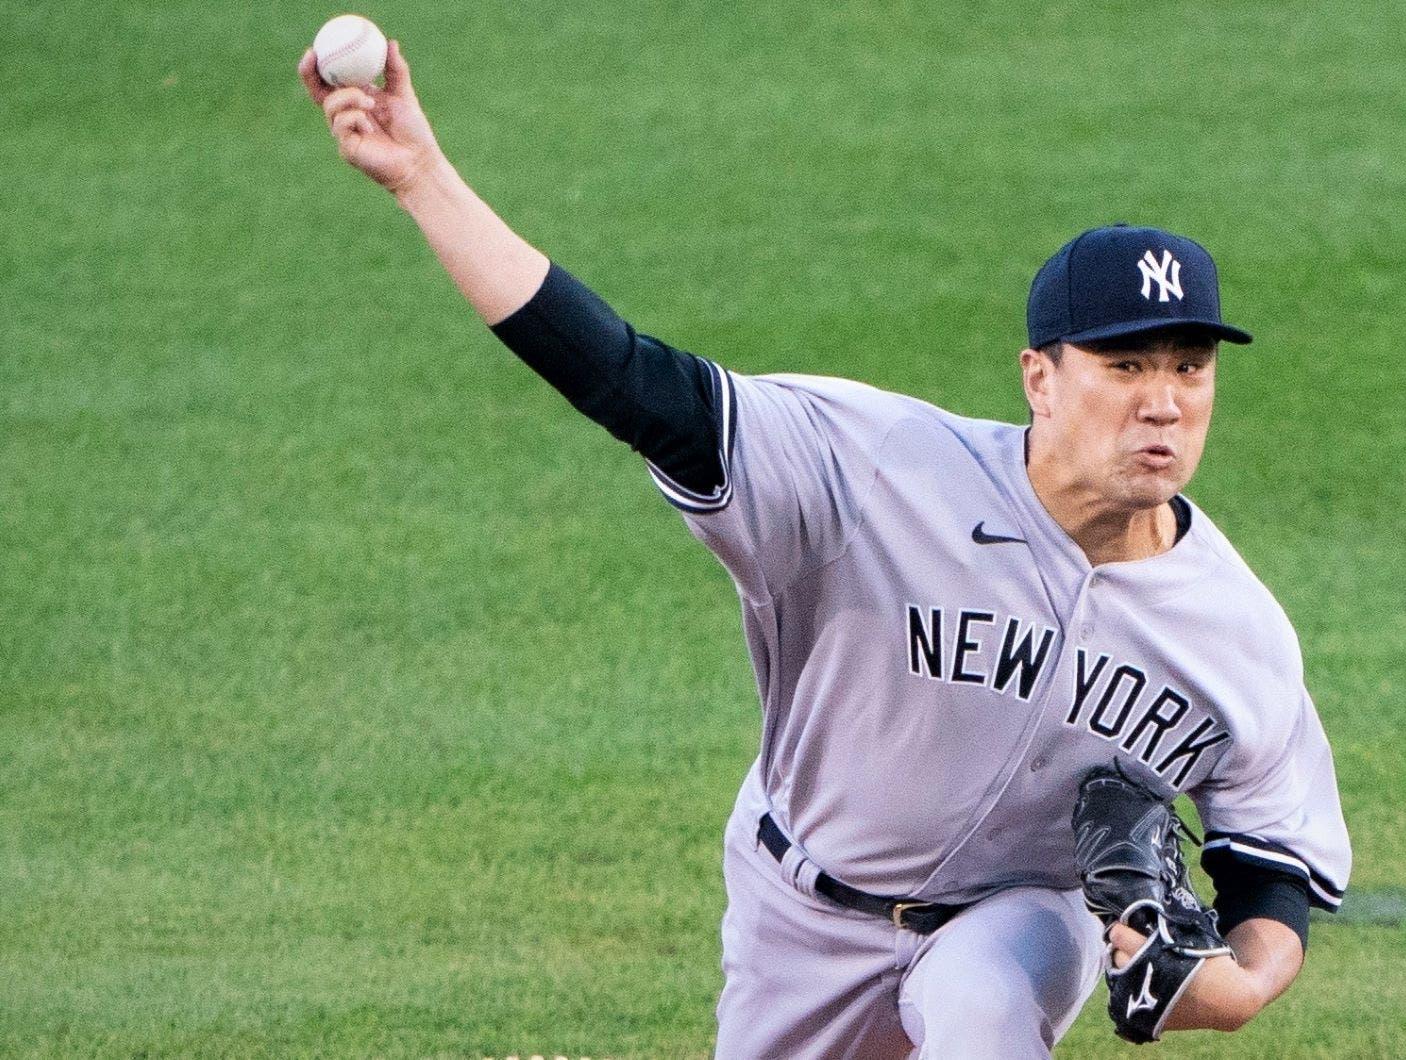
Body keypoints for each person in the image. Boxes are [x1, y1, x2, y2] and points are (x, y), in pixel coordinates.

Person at [300, 41, 1351, 1058]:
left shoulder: (1235, 632)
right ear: (1040, 377)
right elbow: (630, 380)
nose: (1163, 402)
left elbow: (1270, 859)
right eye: (1124, 366)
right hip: (798, 903)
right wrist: (423, 178)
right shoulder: (876, 470)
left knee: (987, 1005)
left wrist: (1244, 983)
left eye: (1188, 365)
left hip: (1016, 915)